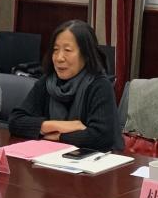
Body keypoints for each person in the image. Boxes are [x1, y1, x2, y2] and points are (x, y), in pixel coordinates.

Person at [8, 20, 122, 151]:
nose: (59, 58)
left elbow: (101, 137)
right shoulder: (47, 82)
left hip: (93, 161)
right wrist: (61, 125)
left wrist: (58, 136)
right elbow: (15, 121)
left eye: (67, 50)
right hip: (51, 157)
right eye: (55, 50)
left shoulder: (99, 85)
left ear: (86, 55)